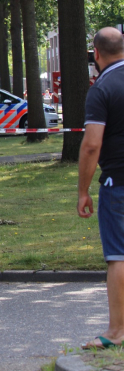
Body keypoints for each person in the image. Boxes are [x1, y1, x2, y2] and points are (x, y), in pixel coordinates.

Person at [78, 27, 124, 350]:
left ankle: (117, 331)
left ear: (96, 53)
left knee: (118, 256)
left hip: (118, 182)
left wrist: (83, 190)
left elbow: (92, 145)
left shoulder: (102, 89)